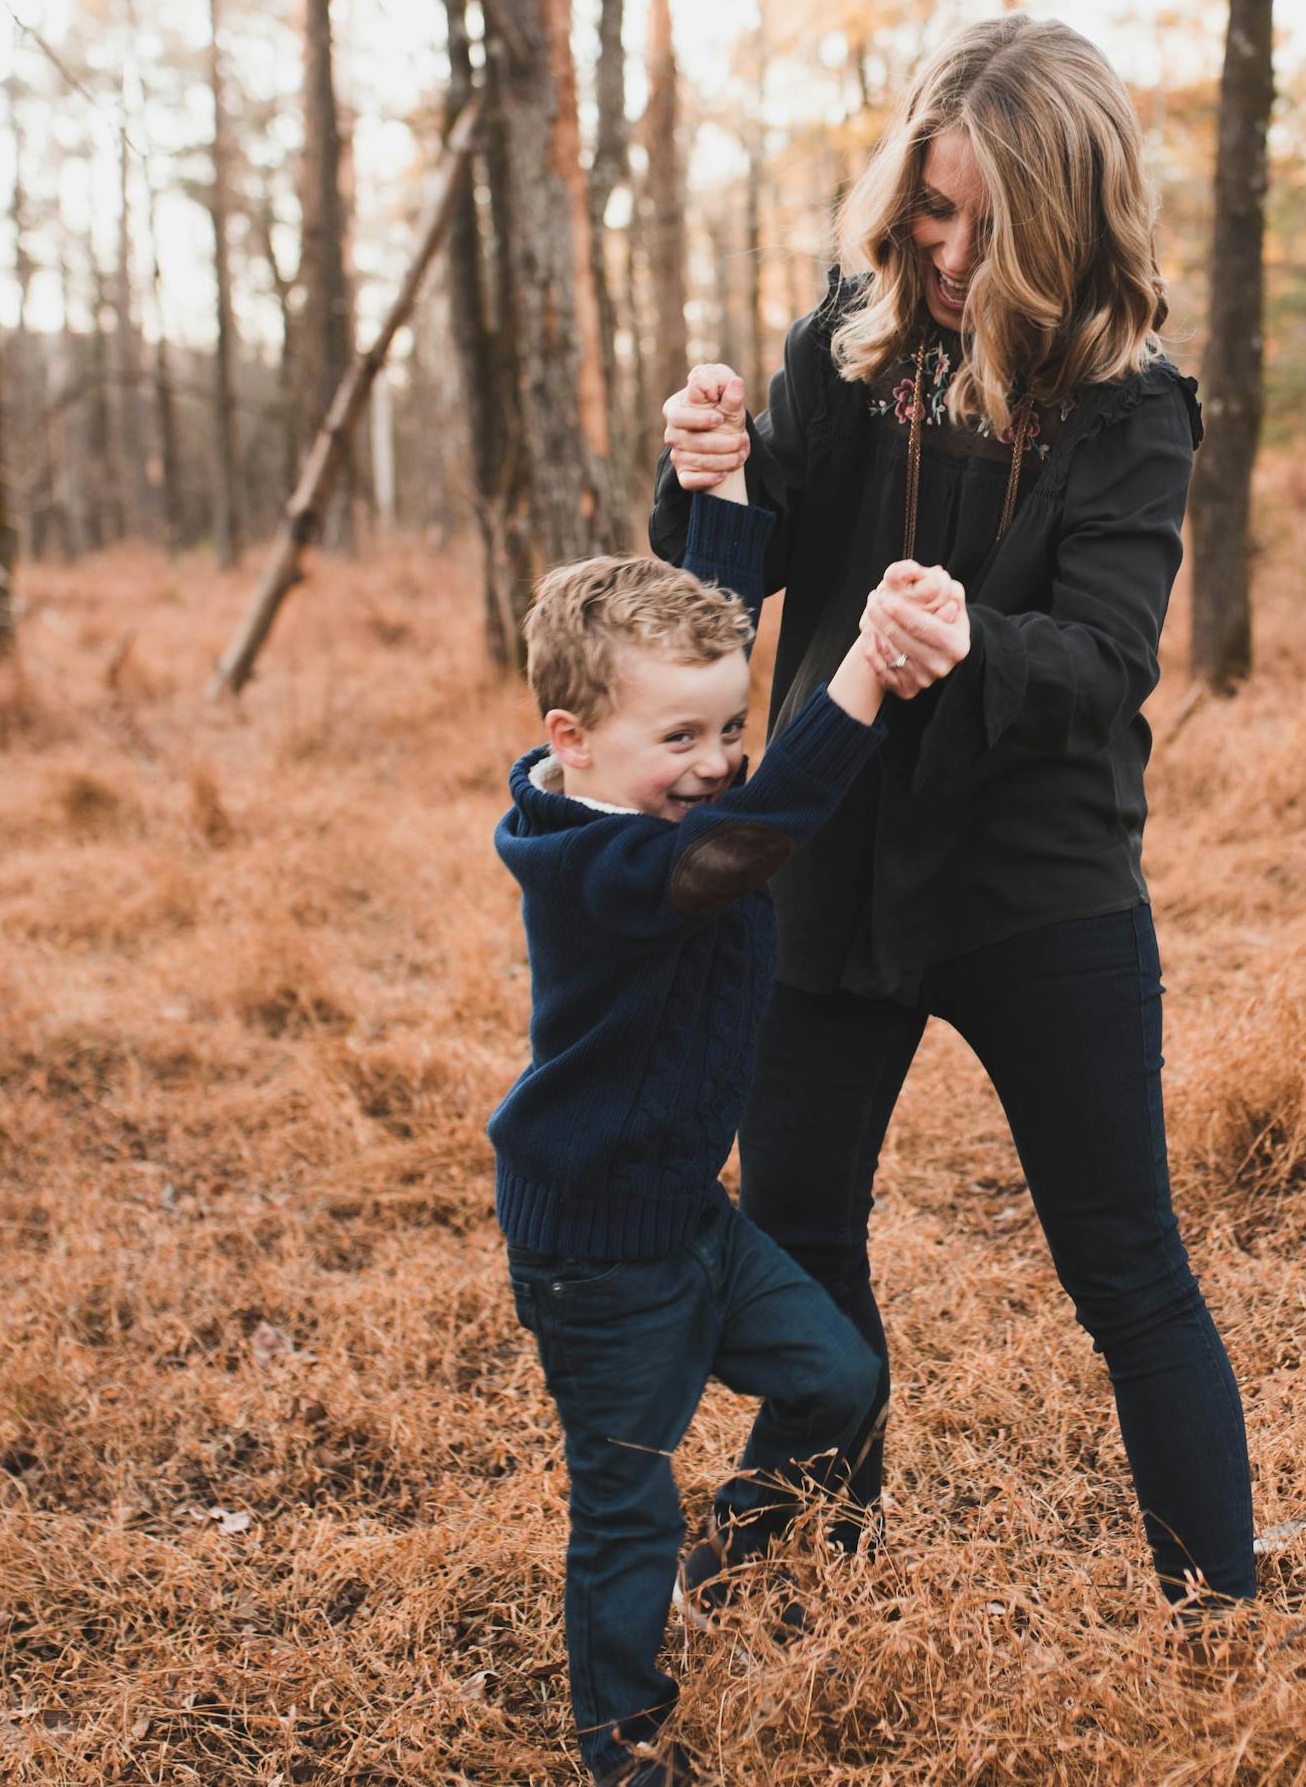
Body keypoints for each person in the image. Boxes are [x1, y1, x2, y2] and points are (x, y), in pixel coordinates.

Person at [653, 11, 1257, 1610]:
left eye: (990, 227)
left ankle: (1224, 1619)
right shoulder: (850, 346)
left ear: (1069, 222)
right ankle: (815, 1525)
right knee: (792, 1228)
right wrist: (711, 478)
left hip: (1034, 882)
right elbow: (733, 583)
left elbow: (1108, 660)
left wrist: (972, 640)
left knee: (1125, 1269)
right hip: (827, 858)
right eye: (930, 210)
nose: (948, 250)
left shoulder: (1131, 406)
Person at [490, 481, 956, 1786]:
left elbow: (714, 631)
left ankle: (727, 1551)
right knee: (624, 1493)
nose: (714, 759)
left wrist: (726, 496)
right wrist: (863, 667)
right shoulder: (603, 864)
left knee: (837, 1377)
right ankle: (620, 1739)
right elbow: (752, 838)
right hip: (598, 1245)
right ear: (569, 738)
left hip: (690, 1212)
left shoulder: (649, 786)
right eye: (680, 738)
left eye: (731, 727)